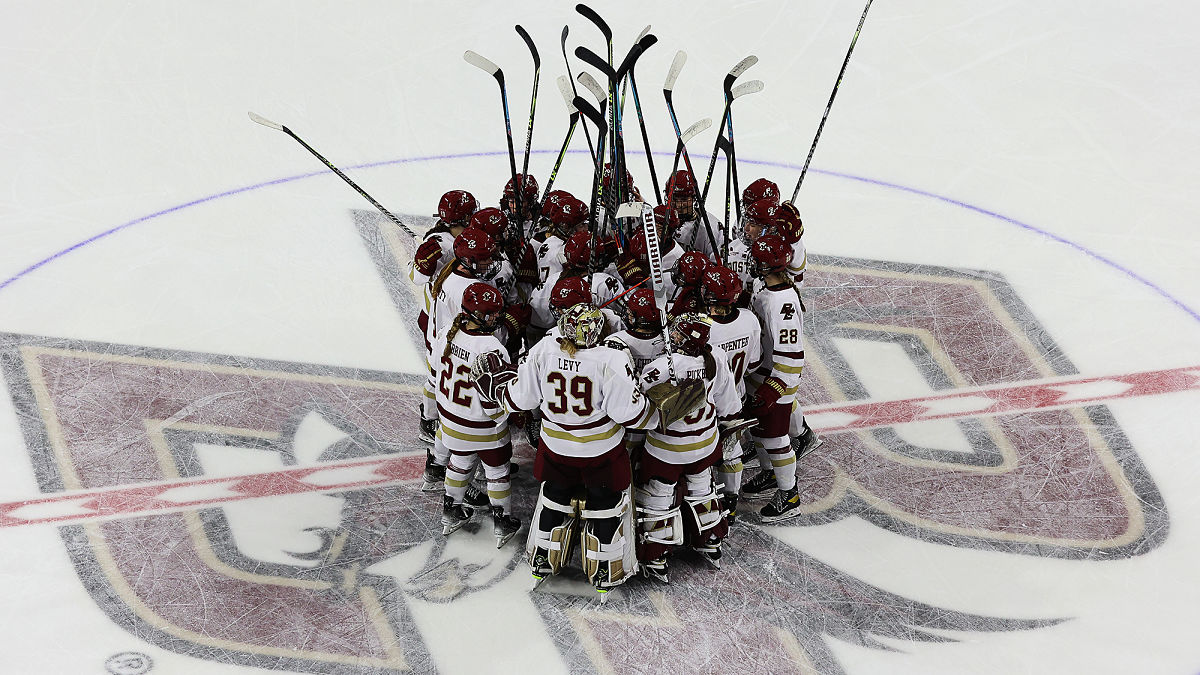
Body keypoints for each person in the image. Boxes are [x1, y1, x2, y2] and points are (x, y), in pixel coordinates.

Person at [472, 304, 659, 598]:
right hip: (601, 451)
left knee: (555, 497)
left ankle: (544, 558)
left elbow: (520, 398)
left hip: (556, 448)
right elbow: (631, 415)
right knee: (604, 505)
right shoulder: (611, 358)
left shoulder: (545, 349)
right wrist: (657, 412)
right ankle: (604, 568)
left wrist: (499, 391)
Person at [634, 313, 741, 579]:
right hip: (705, 443)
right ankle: (710, 538)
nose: (674, 335)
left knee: (658, 495)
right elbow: (729, 404)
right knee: (702, 486)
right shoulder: (715, 357)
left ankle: (656, 553)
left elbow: (636, 406)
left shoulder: (661, 367)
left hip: (668, 449)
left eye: (679, 332)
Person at [430, 283, 521, 547]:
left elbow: (435, 372)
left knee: (459, 461)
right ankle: (502, 522)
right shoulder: (491, 345)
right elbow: (496, 397)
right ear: (477, 314)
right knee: (498, 471)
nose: (496, 317)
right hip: (482, 426)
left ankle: (451, 510)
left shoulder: (448, 331)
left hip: (449, 420)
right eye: (491, 314)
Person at [740, 234, 810, 522]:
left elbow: (792, 355)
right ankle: (770, 474)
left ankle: (789, 494)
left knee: (775, 436)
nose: (751, 262)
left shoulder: (783, 303)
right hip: (763, 373)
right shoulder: (765, 287)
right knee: (759, 431)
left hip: (777, 379)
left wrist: (773, 389)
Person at [700, 264, 763, 520]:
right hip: (736, 398)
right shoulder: (749, 319)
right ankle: (730, 501)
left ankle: (704, 504)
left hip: (706, 404)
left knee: (701, 453)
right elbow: (755, 363)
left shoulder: (702, 328)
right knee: (731, 452)